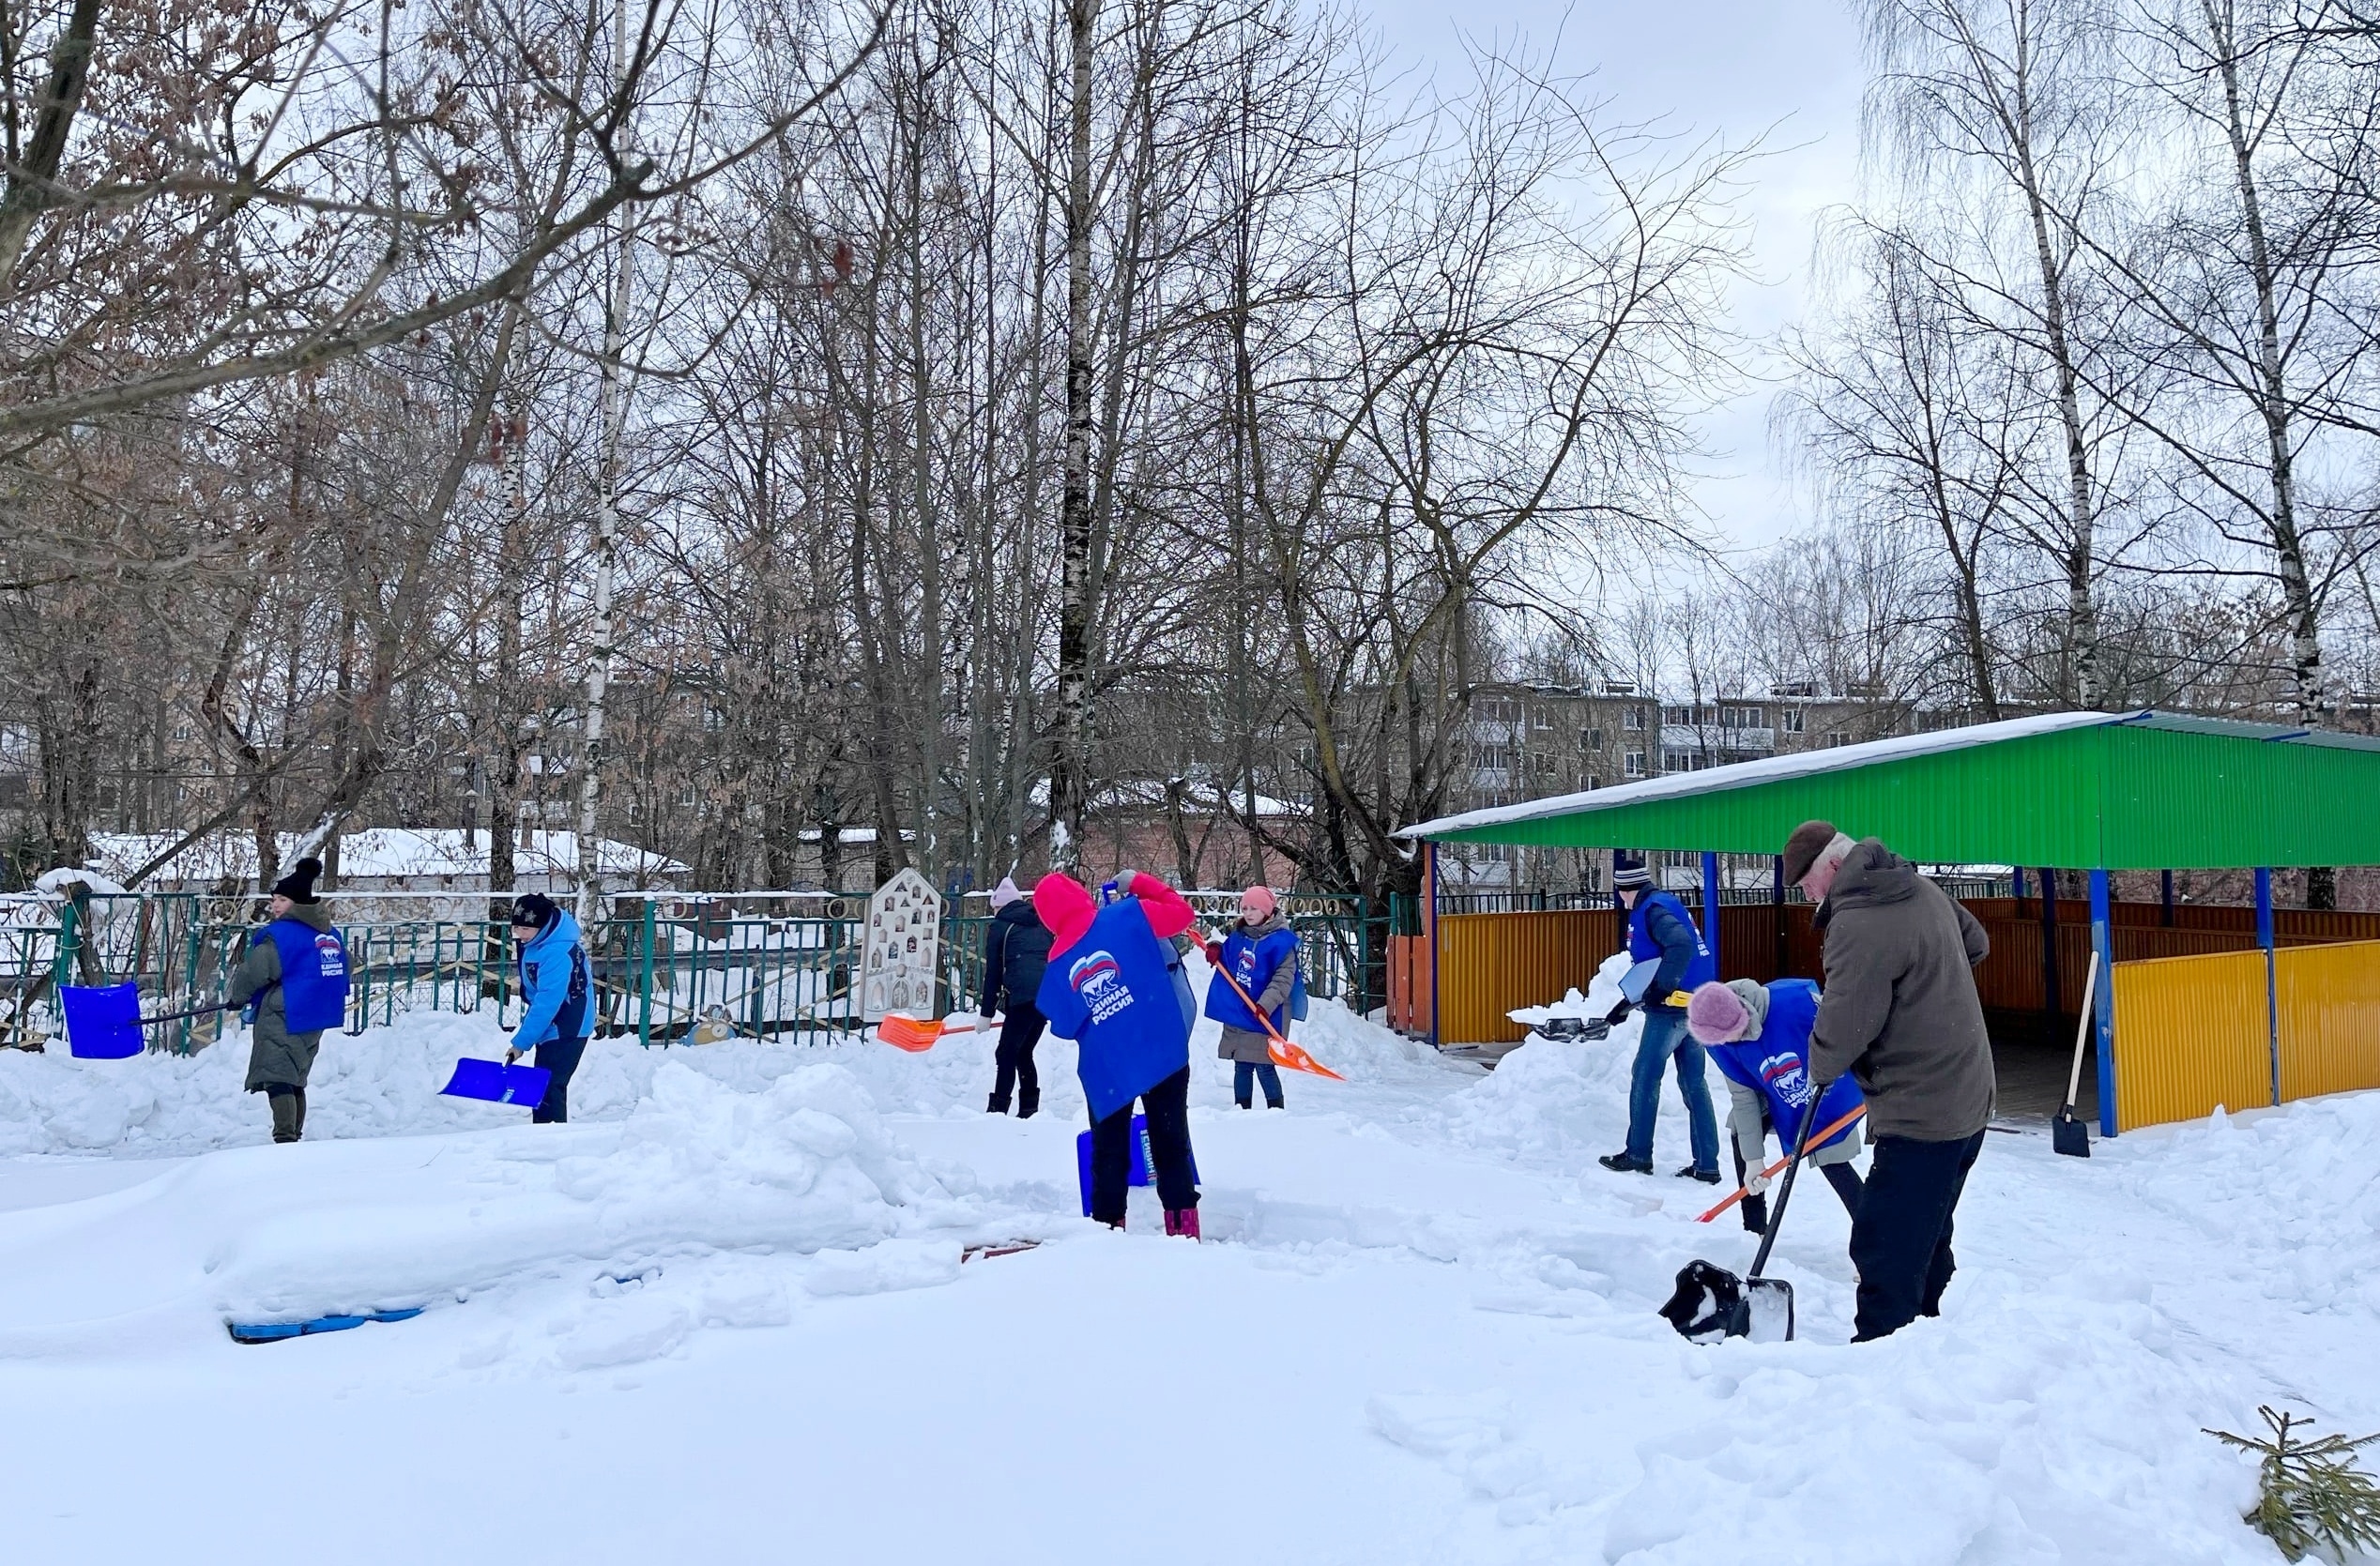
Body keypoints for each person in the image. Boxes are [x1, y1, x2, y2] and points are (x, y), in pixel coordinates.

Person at [1781, 818, 1995, 1342]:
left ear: (1833, 866)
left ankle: (1880, 1353)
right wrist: (1927, 994)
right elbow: (1976, 943)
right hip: (1968, 1094)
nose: (1809, 898)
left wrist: (1821, 1066)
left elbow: (1844, 1023)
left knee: (1885, 1241)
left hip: (1923, 1109)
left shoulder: (1857, 923)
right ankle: (1925, 1341)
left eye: (1808, 885)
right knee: (1925, 1232)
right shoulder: (1916, 886)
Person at [1033, 868, 1202, 1237]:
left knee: (1108, 1152)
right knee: (1171, 1143)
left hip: (1107, 1069)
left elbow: (1062, 1023)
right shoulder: (1128, 915)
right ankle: (1184, 1231)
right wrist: (1139, 882)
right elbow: (1182, 915)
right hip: (1162, 1050)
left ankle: (1107, 1234)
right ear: (1081, 895)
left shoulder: (1056, 965)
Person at [1683, 978, 1867, 1234]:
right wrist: (1753, 1162)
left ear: (1741, 1014)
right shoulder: (1722, 1044)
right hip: (1774, 1092)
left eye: (1729, 1035)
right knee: (1742, 1131)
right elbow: (1744, 1100)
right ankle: (1754, 1230)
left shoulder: (1796, 1004)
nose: (1728, 1043)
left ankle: (1873, 1245)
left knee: (1830, 1157)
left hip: (1828, 1085)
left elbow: (1850, 1035)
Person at [1597, 854, 1721, 1182]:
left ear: (1625, 889)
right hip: (1695, 1004)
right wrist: (1623, 1007)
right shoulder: (1665, 903)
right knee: (1694, 1083)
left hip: (1672, 1010)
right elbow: (1654, 965)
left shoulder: (1651, 910)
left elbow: (1679, 946)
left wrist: (1662, 988)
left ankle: (1638, 1154)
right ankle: (1707, 1164)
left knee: (1645, 1075)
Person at [228, 857, 350, 1144]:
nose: (276, 905)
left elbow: (255, 970)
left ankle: (285, 1138)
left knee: (278, 1078)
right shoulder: (329, 934)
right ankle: (292, 1135)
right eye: (274, 899)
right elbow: (344, 967)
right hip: (315, 1015)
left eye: (282, 899)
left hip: (284, 1013)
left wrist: (237, 998)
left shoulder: (280, 936)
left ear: (297, 902)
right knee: (294, 1078)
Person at [1202, 885, 1295, 1110]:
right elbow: (1229, 958)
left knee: (1264, 1064)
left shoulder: (1282, 942)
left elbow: (1283, 979)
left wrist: (1265, 1004)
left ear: (1267, 910)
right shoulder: (1239, 937)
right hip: (1241, 1009)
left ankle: (1277, 1111)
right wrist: (1216, 949)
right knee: (1241, 1064)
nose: (1248, 913)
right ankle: (1241, 1110)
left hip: (1267, 1013)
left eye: (1254, 908)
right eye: (1245, 908)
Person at [504, 892, 594, 1125]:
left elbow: (547, 1001)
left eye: (525, 929)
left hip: (568, 1024)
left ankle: (551, 1140)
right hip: (554, 1023)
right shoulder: (538, 943)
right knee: (542, 1085)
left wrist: (521, 1042)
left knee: (549, 1086)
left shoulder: (557, 952)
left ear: (542, 926)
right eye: (516, 928)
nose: (519, 935)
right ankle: (543, 1134)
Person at [977, 876, 1053, 1117]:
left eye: (995, 908)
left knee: (1006, 1052)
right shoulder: (1040, 923)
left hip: (1022, 998)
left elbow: (994, 972)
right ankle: (1029, 1109)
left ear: (1000, 906)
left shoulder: (1001, 927)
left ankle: (998, 1111)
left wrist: (986, 1014)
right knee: (1024, 1051)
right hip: (1045, 997)